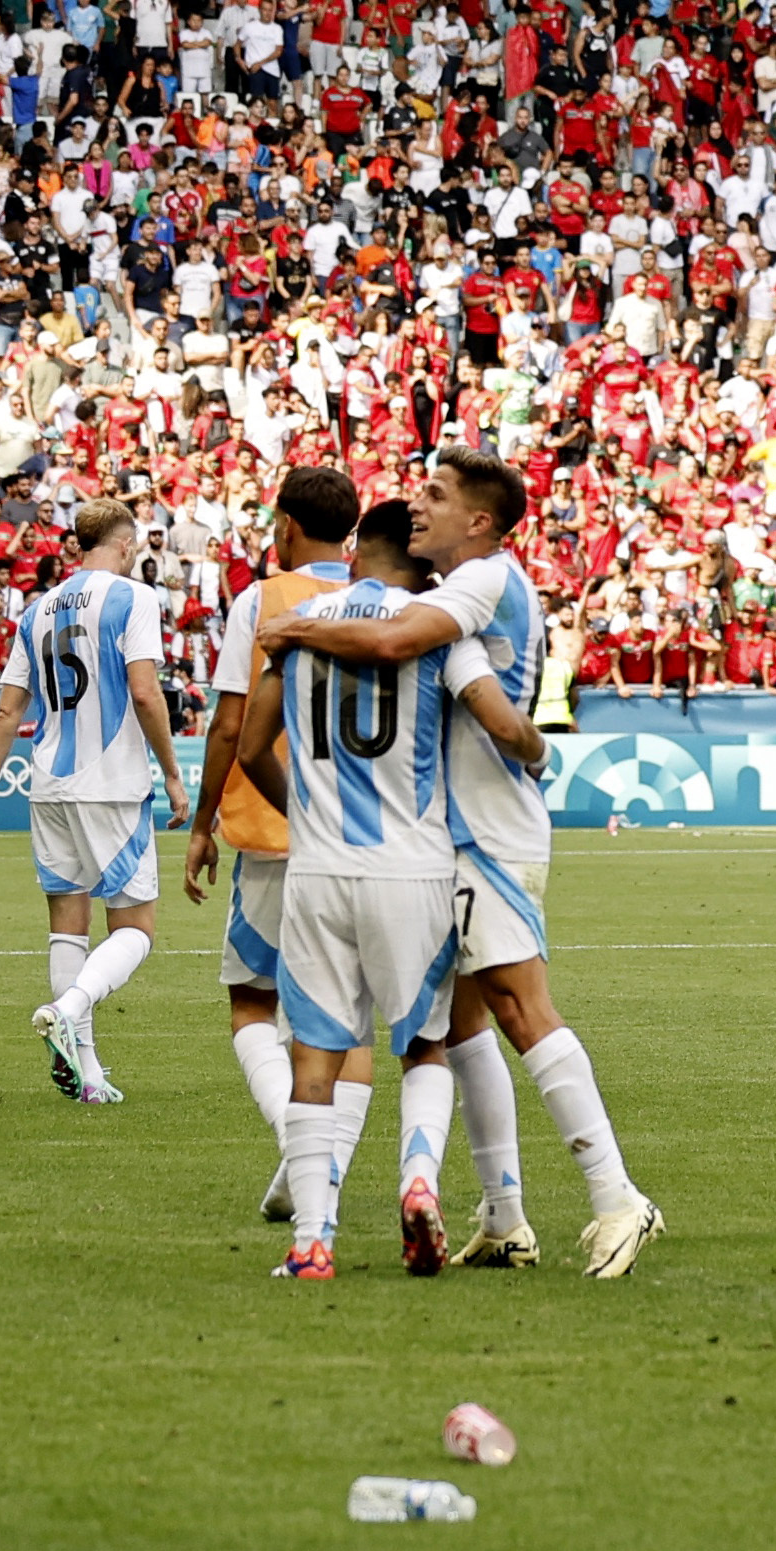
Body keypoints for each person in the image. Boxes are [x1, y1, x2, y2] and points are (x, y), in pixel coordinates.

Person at [263, 450, 660, 1278]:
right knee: (465, 1027)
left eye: (436, 495)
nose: (418, 505)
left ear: (478, 521)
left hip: (488, 836)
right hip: (451, 842)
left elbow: (404, 642)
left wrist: (296, 624)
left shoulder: (476, 586)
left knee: (521, 1011)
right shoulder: (461, 591)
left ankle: (617, 1196)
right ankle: (506, 1215)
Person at [236, 501, 544, 1281]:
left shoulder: (302, 621)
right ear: (419, 554)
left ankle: (312, 1241)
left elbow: (249, 746)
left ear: (354, 548)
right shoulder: (437, 627)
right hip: (413, 866)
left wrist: (303, 818)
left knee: (316, 1054)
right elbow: (501, 722)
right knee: (423, 1044)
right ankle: (418, 1180)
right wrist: (536, 754)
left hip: (318, 869)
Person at [0, 498, 195, 1104]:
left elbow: (7, 710)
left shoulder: (37, 610)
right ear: (126, 543)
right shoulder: (135, 597)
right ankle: (70, 1006)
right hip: (111, 783)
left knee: (68, 925)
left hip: (49, 784)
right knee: (136, 928)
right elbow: (144, 691)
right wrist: (171, 773)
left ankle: (87, 1074)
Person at [188, 465, 358, 1220]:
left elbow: (231, 724)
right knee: (345, 1016)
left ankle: (302, 1152)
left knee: (251, 1003)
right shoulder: (387, 601)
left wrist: (200, 823)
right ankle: (321, 1164)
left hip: (274, 830)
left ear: (285, 524)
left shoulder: (262, 600)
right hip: (366, 837)